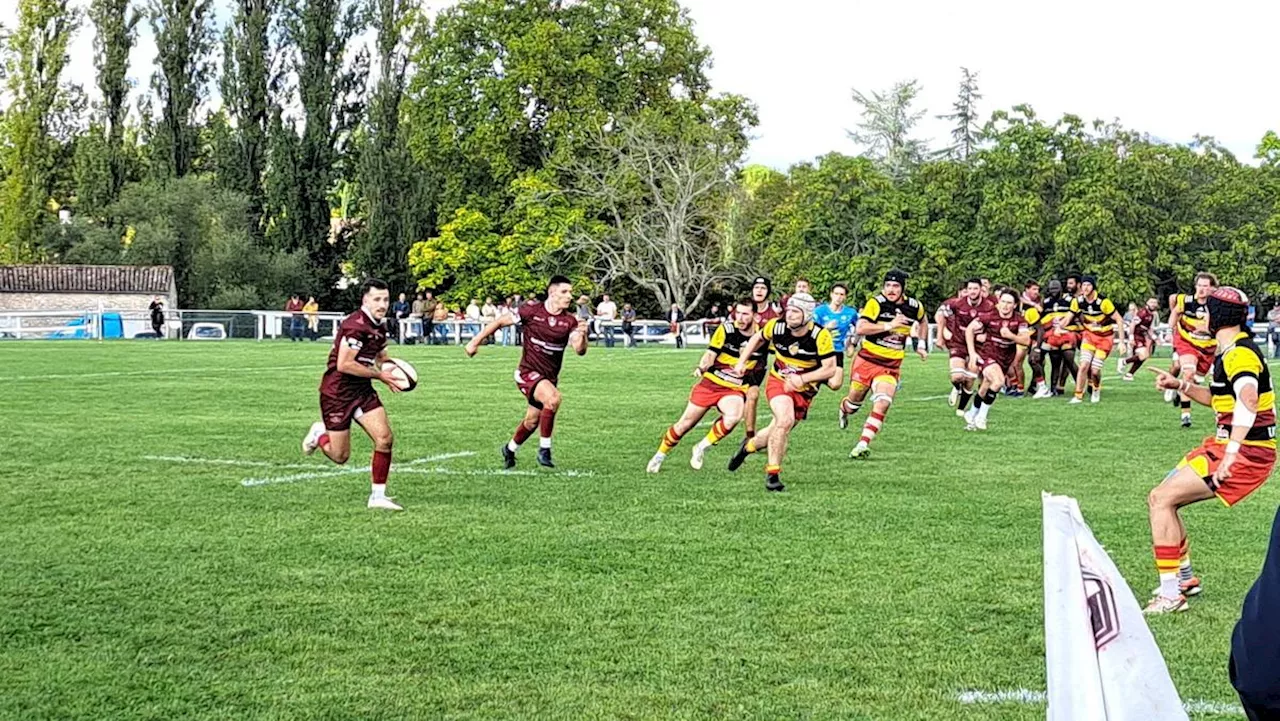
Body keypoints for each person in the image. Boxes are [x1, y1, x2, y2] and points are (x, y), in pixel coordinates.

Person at [1145, 287, 1275, 614]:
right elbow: (1221, 400)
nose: (1200, 315)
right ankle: (1185, 578)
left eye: (1205, 310)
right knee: (1162, 497)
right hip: (1224, 445)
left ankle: (1172, 595)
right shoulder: (1227, 350)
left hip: (1247, 453)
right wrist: (1182, 386)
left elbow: (1248, 399)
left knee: (1162, 499)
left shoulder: (1239, 354)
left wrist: (1231, 453)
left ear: (1215, 317)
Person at [301, 278, 404, 511]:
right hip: (337, 393)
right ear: (365, 300)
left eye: (385, 299)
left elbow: (380, 354)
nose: (382, 304)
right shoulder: (355, 325)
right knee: (340, 456)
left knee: (385, 439)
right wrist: (380, 376)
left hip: (362, 390)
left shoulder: (379, 325)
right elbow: (344, 364)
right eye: (377, 299)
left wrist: (392, 367)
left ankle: (377, 496)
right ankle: (320, 434)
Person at [465, 276, 588, 469]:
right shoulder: (531, 311)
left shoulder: (569, 321)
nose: (569, 296)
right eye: (565, 292)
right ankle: (544, 450)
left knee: (532, 422)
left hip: (549, 377)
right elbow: (499, 322)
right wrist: (474, 342)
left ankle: (509, 449)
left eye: (570, 292)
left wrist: (583, 334)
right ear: (552, 292)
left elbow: (579, 350)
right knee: (553, 399)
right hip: (527, 372)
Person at [725, 292, 838, 492]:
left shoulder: (820, 336)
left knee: (773, 432)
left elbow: (829, 369)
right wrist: (741, 361)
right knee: (784, 420)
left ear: (807, 315)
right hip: (779, 382)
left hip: (804, 391)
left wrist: (802, 379)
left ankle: (747, 447)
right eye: (789, 310)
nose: (790, 315)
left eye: (796, 312)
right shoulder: (776, 326)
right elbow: (757, 339)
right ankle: (773, 475)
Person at [647, 299, 763, 473]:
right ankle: (660, 455)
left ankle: (701, 447)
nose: (740, 317)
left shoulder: (762, 336)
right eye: (737, 313)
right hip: (711, 383)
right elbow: (710, 354)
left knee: (733, 416)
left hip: (734, 388)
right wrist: (702, 367)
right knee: (684, 425)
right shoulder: (726, 329)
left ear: (755, 316)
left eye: (745, 314)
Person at [839, 270, 929, 459]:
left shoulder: (914, 306)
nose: (891, 289)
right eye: (887, 285)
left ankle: (862, 444)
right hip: (866, 361)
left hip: (890, 366)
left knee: (883, 402)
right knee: (854, 404)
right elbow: (861, 328)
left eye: (896, 286)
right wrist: (889, 325)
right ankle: (844, 408)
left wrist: (920, 344)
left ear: (903, 288)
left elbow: (923, 320)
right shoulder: (876, 303)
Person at [962, 289, 1032, 431]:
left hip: (1005, 359)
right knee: (999, 381)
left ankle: (972, 413)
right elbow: (969, 329)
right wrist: (972, 353)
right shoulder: (989, 316)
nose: (1005, 305)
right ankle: (982, 416)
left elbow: (1026, 340)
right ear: (998, 302)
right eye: (1003, 301)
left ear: (1015, 305)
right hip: (988, 355)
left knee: (985, 388)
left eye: (1009, 303)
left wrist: (1011, 336)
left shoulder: (1019, 320)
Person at [1167, 273, 1219, 428]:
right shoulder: (1186, 300)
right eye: (1199, 285)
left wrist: (1207, 330)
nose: (1201, 289)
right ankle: (1186, 416)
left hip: (1208, 347)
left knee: (1197, 381)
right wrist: (1170, 330)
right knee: (1188, 373)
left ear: (1212, 288)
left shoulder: (1216, 305)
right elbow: (1175, 311)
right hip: (1187, 342)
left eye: (1205, 286)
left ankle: (1178, 388)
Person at [937, 278, 991, 414]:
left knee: (969, 379)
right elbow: (941, 315)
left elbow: (993, 324)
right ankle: (956, 387)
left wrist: (986, 337)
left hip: (978, 346)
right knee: (957, 377)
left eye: (975, 289)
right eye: (970, 289)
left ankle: (961, 409)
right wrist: (940, 336)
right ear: (966, 290)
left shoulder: (989, 306)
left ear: (981, 290)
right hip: (959, 343)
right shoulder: (957, 304)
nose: (972, 292)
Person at [1068, 275, 1122, 404]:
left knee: (1095, 370)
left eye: (1088, 285)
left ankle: (1096, 389)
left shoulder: (1103, 302)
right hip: (1089, 336)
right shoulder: (1078, 301)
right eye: (1083, 285)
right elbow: (1068, 316)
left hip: (1105, 339)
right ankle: (1078, 395)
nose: (1085, 288)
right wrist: (1060, 326)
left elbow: (1119, 319)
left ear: (1093, 287)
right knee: (1083, 365)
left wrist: (1121, 341)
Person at [745, 276, 782, 439]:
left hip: (757, 363)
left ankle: (749, 436)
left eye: (763, 288)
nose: (759, 290)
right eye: (756, 287)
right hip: (734, 360)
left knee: (752, 396)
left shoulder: (773, 315)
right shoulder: (742, 310)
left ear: (768, 291)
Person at [813, 283, 859, 384]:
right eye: (836, 294)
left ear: (845, 297)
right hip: (819, 349)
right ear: (831, 294)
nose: (838, 297)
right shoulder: (819, 311)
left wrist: (852, 344)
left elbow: (860, 328)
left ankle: (818, 378)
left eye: (842, 294)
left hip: (837, 350)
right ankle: (815, 377)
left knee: (836, 384)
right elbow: (810, 331)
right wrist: (826, 328)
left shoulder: (850, 313)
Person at [1039, 279, 1077, 396]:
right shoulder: (1046, 302)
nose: (1054, 292)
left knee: (1069, 358)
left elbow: (1077, 316)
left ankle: (1081, 384)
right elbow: (1042, 321)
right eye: (1051, 290)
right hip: (1053, 335)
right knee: (1054, 361)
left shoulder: (1070, 300)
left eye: (1056, 289)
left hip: (1068, 333)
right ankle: (1053, 388)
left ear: (1061, 288)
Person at [1008, 281, 1042, 396]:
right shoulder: (1005, 309)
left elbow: (1039, 328)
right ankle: (1014, 386)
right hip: (1015, 337)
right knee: (1009, 362)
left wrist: (1037, 346)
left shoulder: (1029, 309)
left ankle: (1021, 389)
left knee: (1017, 363)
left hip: (1027, 338)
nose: (1006, 304)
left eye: (1009, 302)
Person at [1121, 297, 1159, 380]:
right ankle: (1124, 362)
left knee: (1144, 356)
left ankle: (1129, 374)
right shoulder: (1142, 312)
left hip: (1142, 336)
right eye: (1151, 302)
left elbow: (1149, 329)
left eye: (1155, 302)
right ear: (1147, 303)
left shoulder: (1151, 315)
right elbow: (1132, 324)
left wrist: (1155, 338)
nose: (1153, 304)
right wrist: (1131, 338)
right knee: (1143, 355)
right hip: (1136, 335)